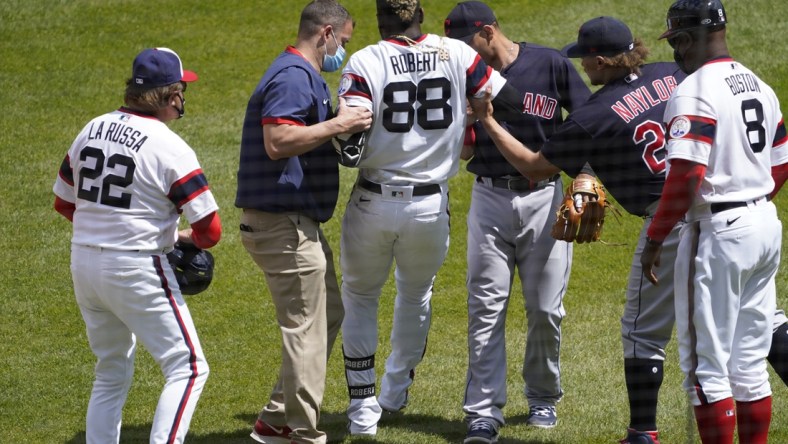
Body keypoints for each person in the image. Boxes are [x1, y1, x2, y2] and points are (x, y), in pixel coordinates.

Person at [468, 15, 690, 443]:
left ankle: (641, 432)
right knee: (748, 320)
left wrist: (488, 121)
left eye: (586, 59)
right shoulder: (673, 73)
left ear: (603, 60)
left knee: (641, 331)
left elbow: (534, 165)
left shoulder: (594, 115)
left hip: (665, 220)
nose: (582, 68)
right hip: (714, 206)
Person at [335, 0, 527, 436]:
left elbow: (349, 132)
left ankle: (363, 410)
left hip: (373, 201)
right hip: (428, 205)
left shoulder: (367, 59)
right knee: (415, 294)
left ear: (380, 18)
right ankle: (395, 390)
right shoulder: (455, 53)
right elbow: (510, 100)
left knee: (361, 297)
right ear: (420, 15)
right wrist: (474, 119)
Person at [52, 47, 222, 444]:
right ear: (169, 95)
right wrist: (178, 238)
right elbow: (209, 230)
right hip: (136, 267)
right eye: (181, 90)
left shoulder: (91, 128)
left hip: (84, 264)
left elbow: (64, 201)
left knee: (111, 369)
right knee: (189, 366)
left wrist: (109, 229)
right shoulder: (168, 145)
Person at [640, 1, 787, 442]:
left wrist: (654, 238)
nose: (675, 53)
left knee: (707, 366)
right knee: (749, 362)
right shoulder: (758, 84)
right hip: (763, 223)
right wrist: (748, 197)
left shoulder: (694, 90)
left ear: (685, 40)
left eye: (675, 42)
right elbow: (780, 163)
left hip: (717, 232)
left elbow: (686, 175)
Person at [443, 1, 590, 439]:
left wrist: (583, 175)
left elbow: (588, 123)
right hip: (489, 198)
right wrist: (468, 121)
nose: (461, 53)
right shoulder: (463, 75)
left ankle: (542, 397)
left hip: (544, 200)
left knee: (546, 309)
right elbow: (466, 151)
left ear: (488, 31)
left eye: (465, 42)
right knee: (485, 309)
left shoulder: (549, 63)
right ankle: (483, 411)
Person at [234, 1, 372, 443]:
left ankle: (275, 418)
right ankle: (301, 432)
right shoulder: (294, 76)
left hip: (292, 223)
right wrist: (338, 124)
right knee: (306, 329)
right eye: (344, 42)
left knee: (328, 312)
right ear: (326, 33)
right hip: (282, 226)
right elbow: (278, 141)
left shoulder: (299, 74)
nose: (343, 52)